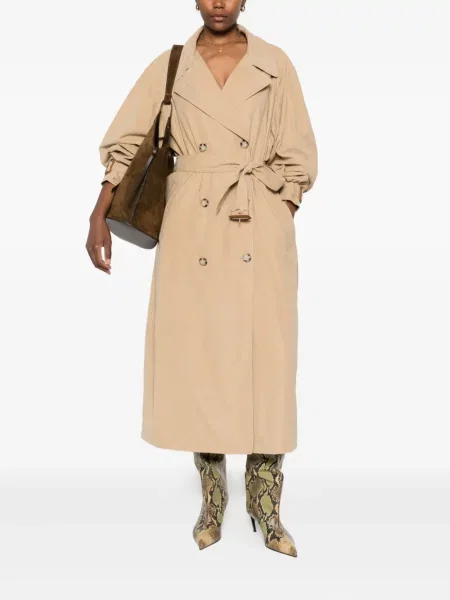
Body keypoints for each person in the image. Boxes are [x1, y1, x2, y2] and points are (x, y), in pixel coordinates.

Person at [86, 0, 318, 557]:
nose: (219, 3)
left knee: (267, 362)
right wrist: (99, 210)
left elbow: (299, 153)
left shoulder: (274, 63)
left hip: (256, 222)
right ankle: (213, 499)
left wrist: (278, 208)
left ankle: (266, 503)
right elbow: (127, 140)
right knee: (201, 361)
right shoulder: (173, 64)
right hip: (193, 230)